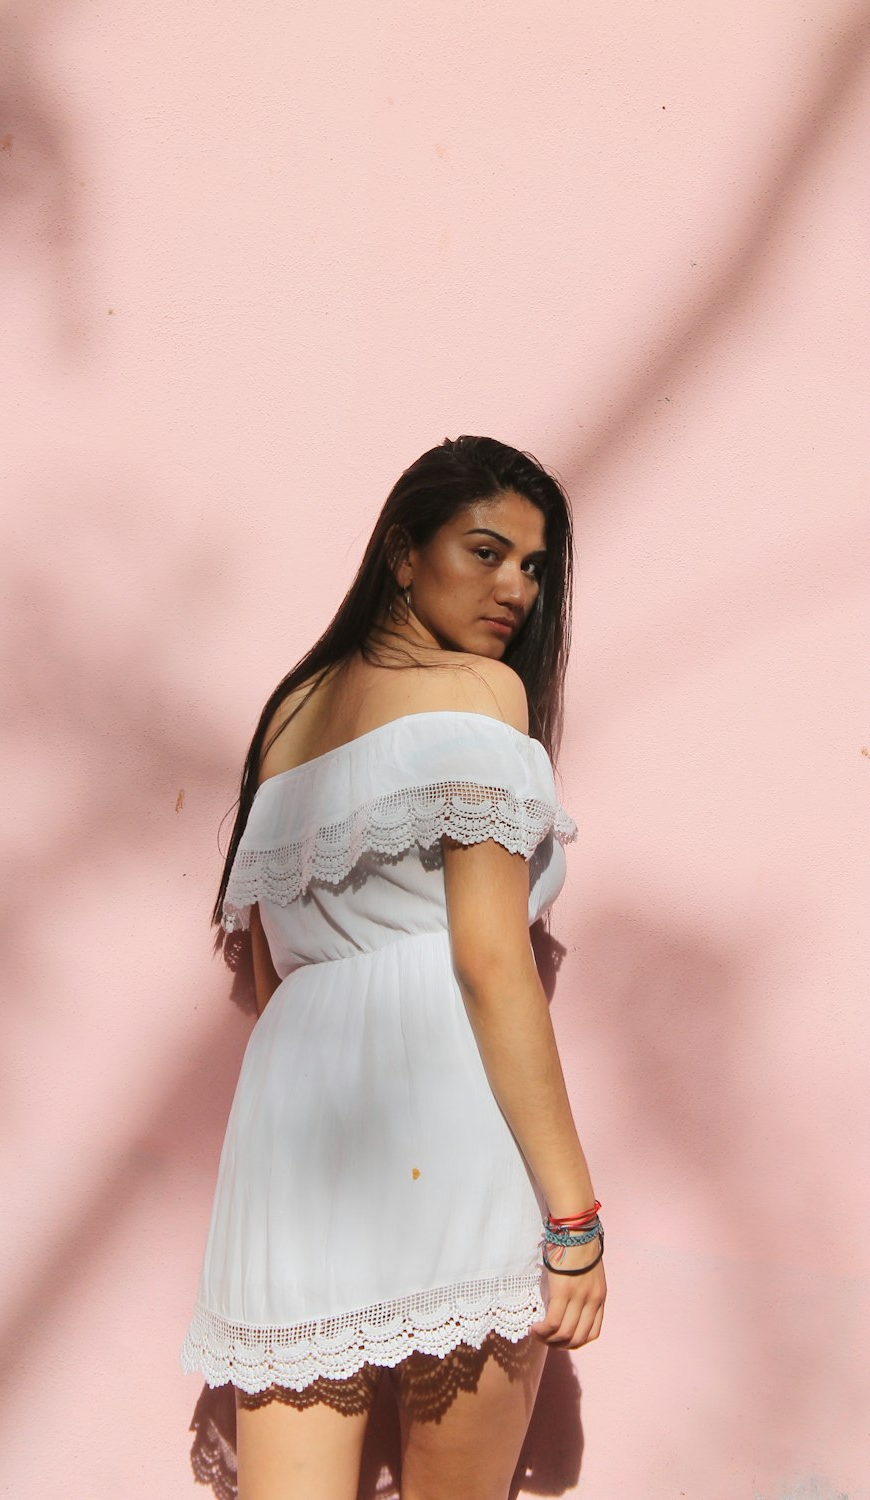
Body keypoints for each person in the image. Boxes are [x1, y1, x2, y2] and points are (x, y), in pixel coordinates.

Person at [181, 435, 607, 1500]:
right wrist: (573, 1221)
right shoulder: (479, 695)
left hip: (289, 1135)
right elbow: (489, 963)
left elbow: (279, 976)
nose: (515, 587)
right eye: (485, 550)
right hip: (444, 1108)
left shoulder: (289, 714)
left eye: (534, 566)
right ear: (402, 554)